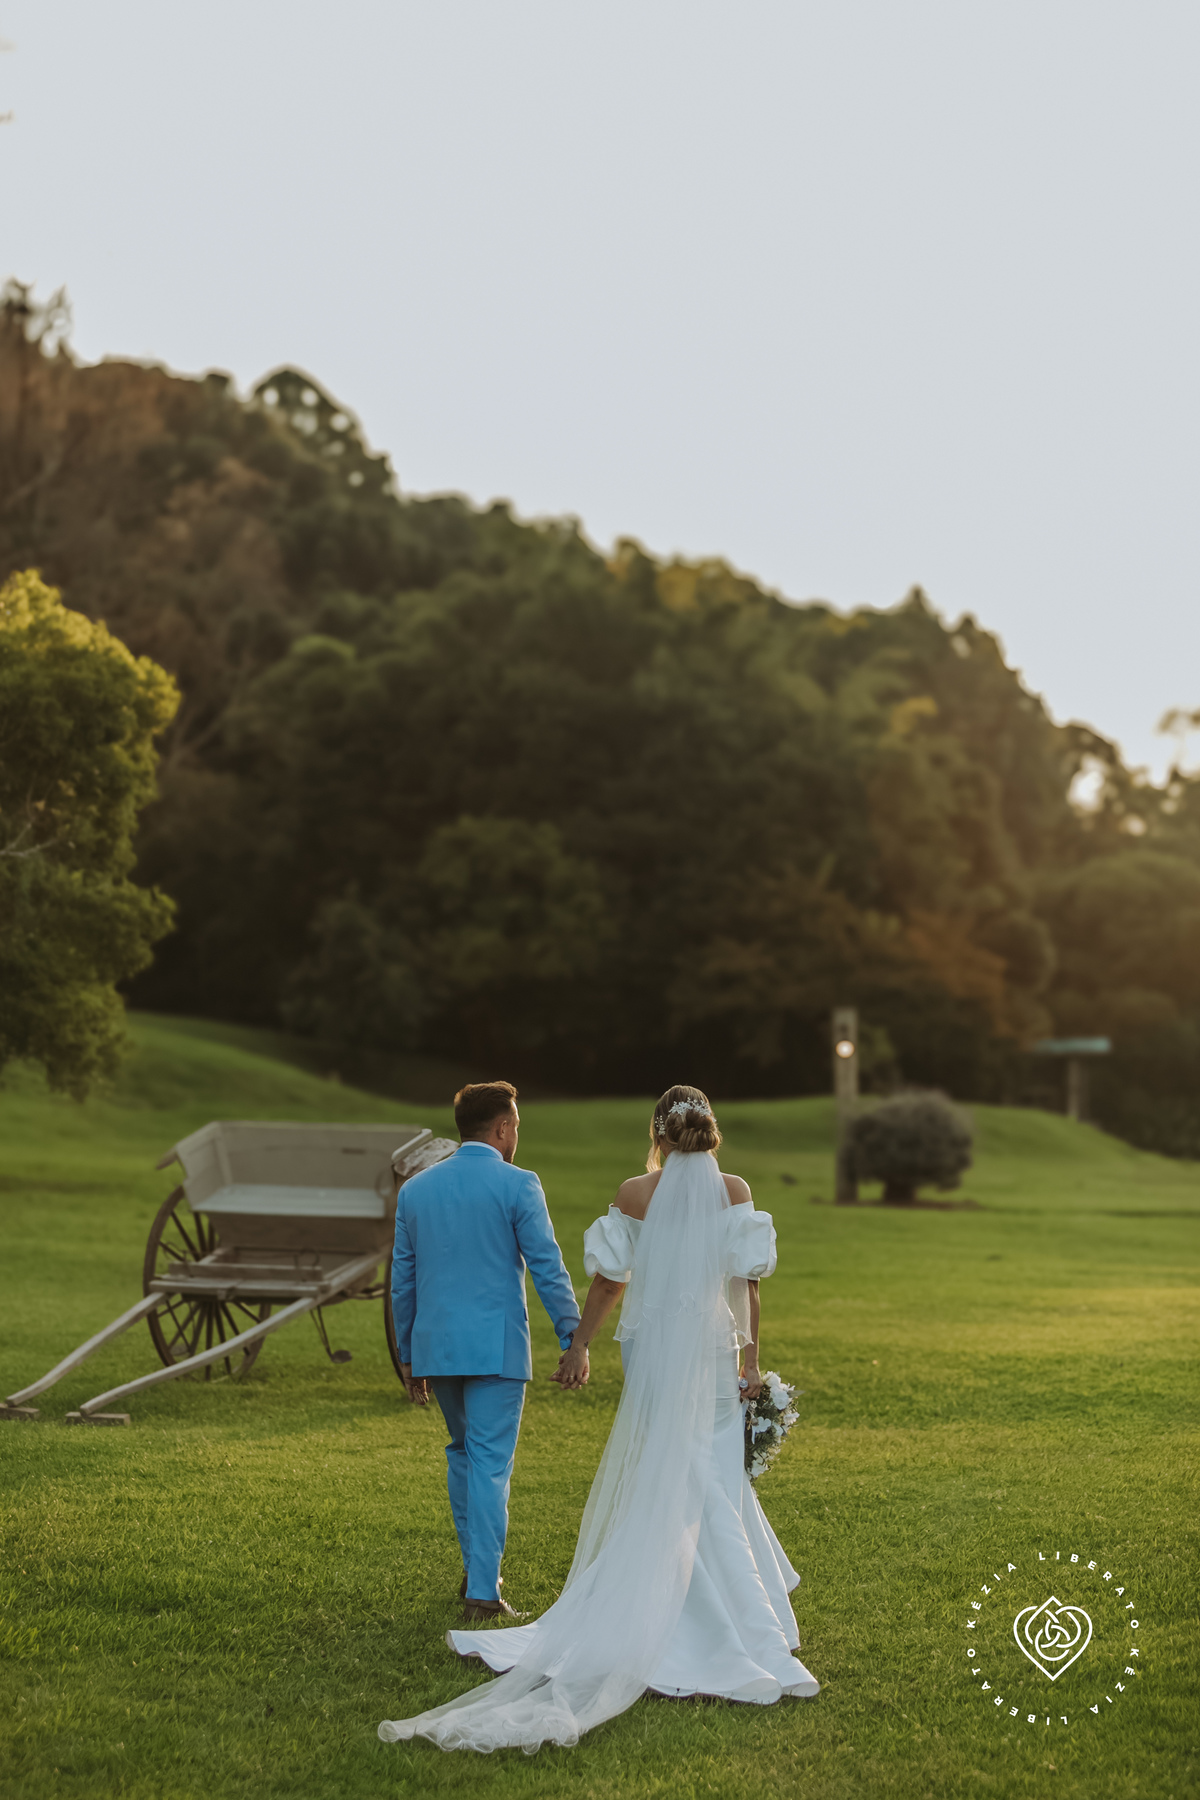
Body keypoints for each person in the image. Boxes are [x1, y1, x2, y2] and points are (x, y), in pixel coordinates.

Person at [380, 1084, 819, 1755]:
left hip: (653, 1350)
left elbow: (611, 1281)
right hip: (714, 1349)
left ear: (658, 1133)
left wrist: (580, 1340)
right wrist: (751, 1362)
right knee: (709, 1472)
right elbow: (746, 1283)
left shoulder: (635, 1193)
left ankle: (653, 1606)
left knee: (666, 1467)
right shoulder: (735, 1190)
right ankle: (752, 1626)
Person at [390, 1080, 581, 1620]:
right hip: (496, 1349)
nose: (516, 1134)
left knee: (463, 1454)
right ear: (502, 1128)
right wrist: (573, 1337)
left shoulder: (416, 1191)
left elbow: (402, 1281)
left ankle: (476, 1570)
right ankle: (482, 1591)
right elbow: (547, 1267)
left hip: (436, 1347)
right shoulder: (519, 1184)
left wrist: (407, 1355)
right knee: (491, 1465)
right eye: (516, 1126)